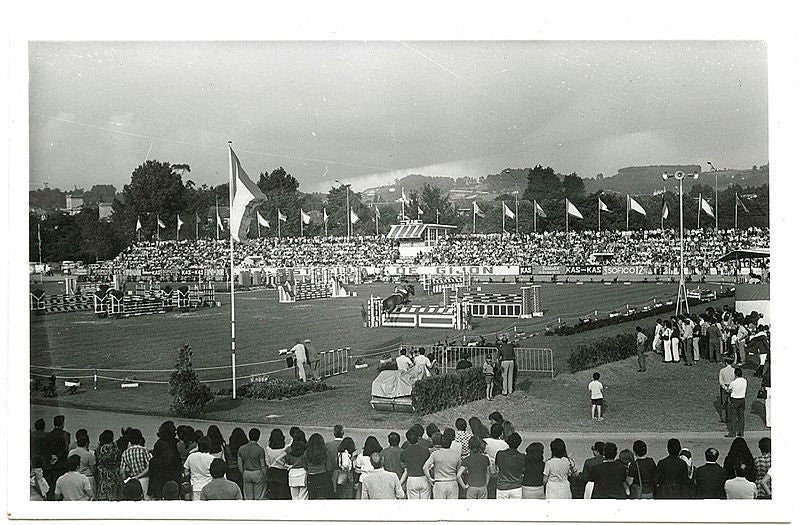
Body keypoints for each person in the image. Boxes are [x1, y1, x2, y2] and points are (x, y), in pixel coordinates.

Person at [148, 421, 181, 500]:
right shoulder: (176, 443)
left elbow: (155, 463)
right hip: (174, 477)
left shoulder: (159, 443)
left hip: (160, 478)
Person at [422, 432, 461, 499]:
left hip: (439, 483)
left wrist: (429, 478)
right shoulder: (457, 455)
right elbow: (458, 471)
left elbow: (425, 467)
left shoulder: (435, 454)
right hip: (452, 482)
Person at [43, 414, 70, 500]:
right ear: (62, 423)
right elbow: (66, 449)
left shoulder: (48, 435)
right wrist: (58, 456)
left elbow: (45, 448)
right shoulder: (66, 434)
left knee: (53, 485)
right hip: (62, 464)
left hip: (51, 463)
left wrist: (52, 456)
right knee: (62, 486)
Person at [399, 429, 431, 499]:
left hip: (412, 480)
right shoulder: (426, 450)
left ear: (407, 440)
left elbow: (405, 469)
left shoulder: (404, 453)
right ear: (418, 438)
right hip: (424, 478)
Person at [120, 428, 151, 499]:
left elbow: (122, 472)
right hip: (144, 479)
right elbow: (149, 467)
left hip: (131, 480)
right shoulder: (144, 450)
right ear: (140, 439)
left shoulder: (125, 453)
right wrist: (139, 476)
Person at [238, 428, 268, 500]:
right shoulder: (260, 449)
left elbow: (240, 465)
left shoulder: (241, 448)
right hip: (257, 473)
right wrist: (265, 475)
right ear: (258, 437)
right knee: (258, 497)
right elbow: (263, 465)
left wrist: (244, 473)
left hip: (246, 472)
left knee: (248, 498)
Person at [495, 433, 525, 499]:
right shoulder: (522, 457)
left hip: (502, 487)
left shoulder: (500, 454)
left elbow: (496, 468)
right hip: (516, 487)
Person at [184, 436, 214, 501]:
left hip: (195, 487)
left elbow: (186, 472)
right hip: (209, 487)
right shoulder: (212, 459)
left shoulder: (191, 456)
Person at [68, 430, 97, 499]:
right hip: (87, 477)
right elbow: (93, 470)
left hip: (74, 477)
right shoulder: (90, 455)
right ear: (87, 443)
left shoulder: (71, 453)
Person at [483, 423, 509, 499]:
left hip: (487, 469)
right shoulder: (505, 444)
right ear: (501, 433)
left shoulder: (485, 442)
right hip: (499, 470)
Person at [305, 433, 334, 499]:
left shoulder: (307, 452)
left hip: (311, 477)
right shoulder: (325, 452)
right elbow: (329, 467)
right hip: (322, 476)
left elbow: (305, 465)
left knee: (312, 497)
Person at [285, 430, 308, 500]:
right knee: (303, 498)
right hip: (303, 473)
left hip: (292, 474)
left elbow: (282, 459)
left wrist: (286, 465)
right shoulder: (306, 449)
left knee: (294, 498)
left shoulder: (289, 449)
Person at [726, 367, 747, 437]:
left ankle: (732, 433)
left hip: (735, 399)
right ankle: (741, 432)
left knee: (734, 417)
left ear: (735, 374)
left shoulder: (733, 383)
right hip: (742, 399)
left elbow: (728, 390)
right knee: (741, 417)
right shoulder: (744, 381)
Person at [325, 425, 345, 489]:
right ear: (343, 433)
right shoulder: (347, 444)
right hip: (343, 474)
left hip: (330, 473)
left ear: (334, 433)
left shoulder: (327, 445)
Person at [718, 359, 736, 424]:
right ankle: (731, 417)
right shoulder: (734, 370)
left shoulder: (722, 370)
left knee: (724, 403)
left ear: (726, 363)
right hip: (732, 386)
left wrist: (725, 387)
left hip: (724, 386)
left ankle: (724, 417)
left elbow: (721, 381)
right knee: (731, 402)